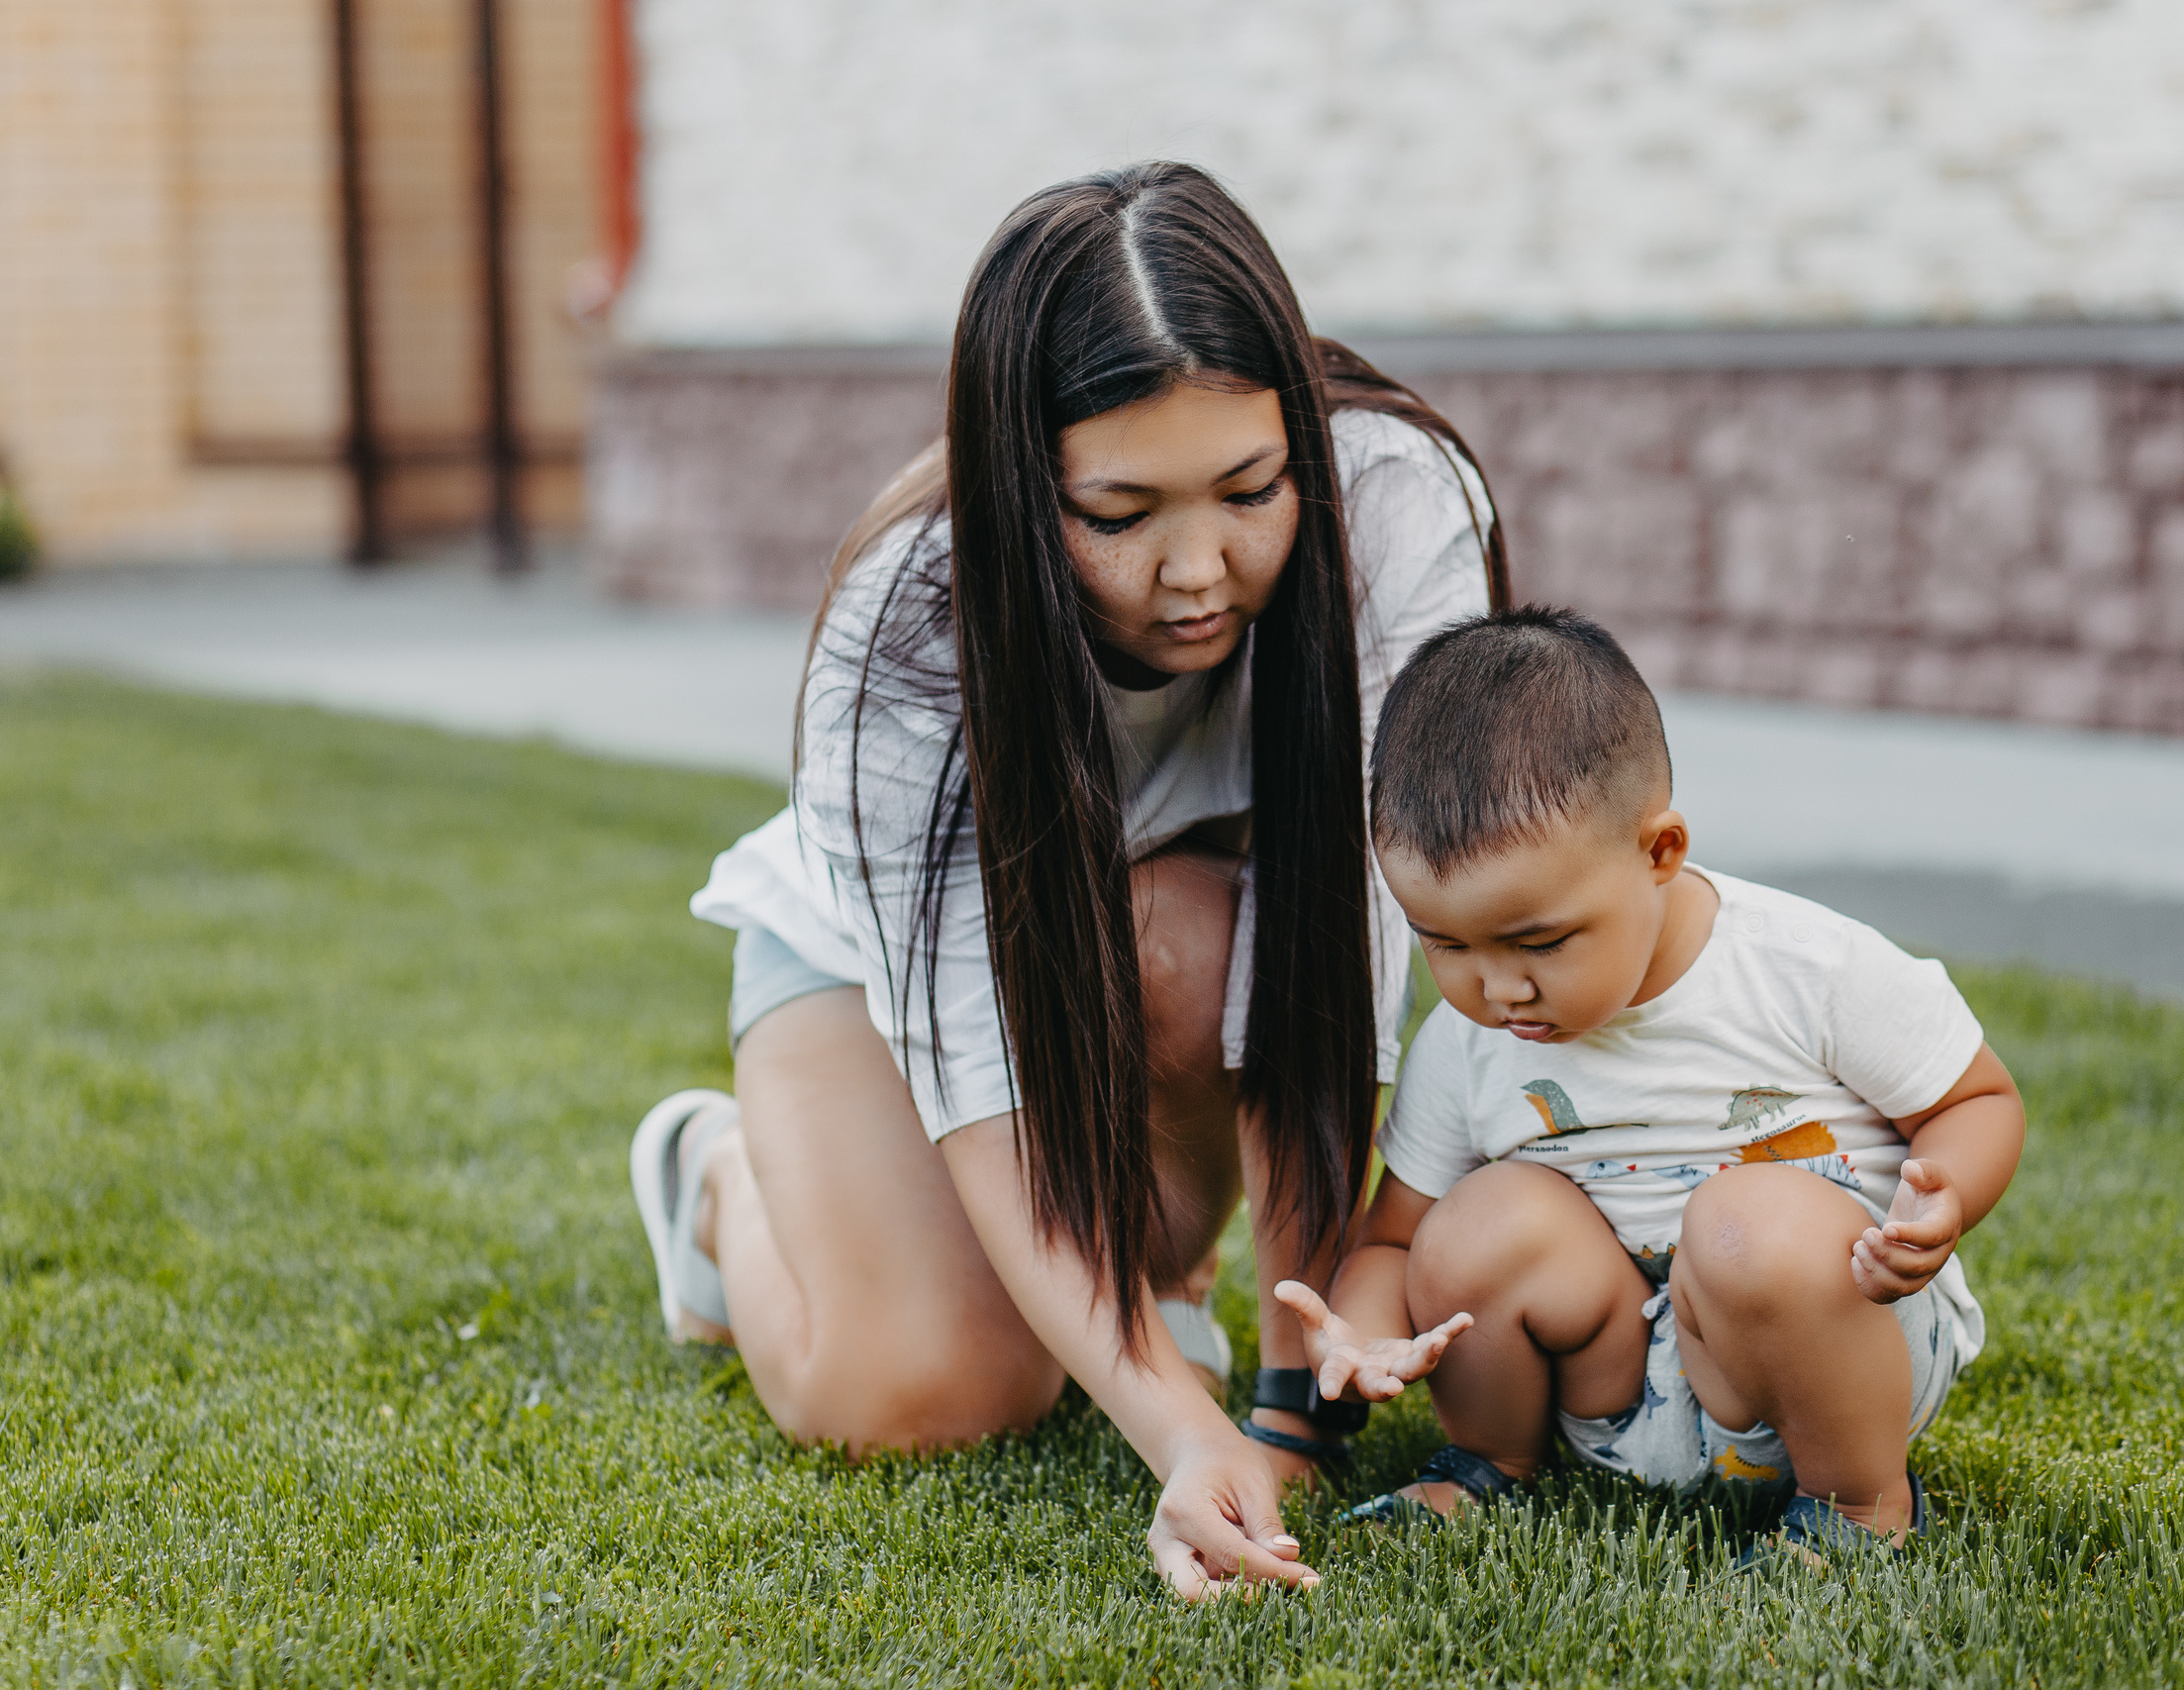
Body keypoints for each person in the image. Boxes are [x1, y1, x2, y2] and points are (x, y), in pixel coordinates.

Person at [625, 161, 1508, 1598]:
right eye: (1123, 511)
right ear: (1027, 486)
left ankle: (1145, 1296)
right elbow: (977, 1075)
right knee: (916, 1394)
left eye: (1251, 488)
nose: (1200, 567)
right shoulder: (905, 625)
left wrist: (1289, 1400)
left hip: (1174, 951)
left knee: (1179, 939)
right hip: (883, 972)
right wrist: (1177, 1426)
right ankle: (719, 1174)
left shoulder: (1402, 506)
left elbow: (1344, 937)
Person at [1276, 607, 2026, 1566]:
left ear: (1658, 852)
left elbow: (1975, 1100)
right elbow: (1394, 1238)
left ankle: (1857, 1506)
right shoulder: (1465, 1042)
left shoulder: (1803, 967)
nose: (1496, 989)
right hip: (1617, 1393)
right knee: (1475, 1217)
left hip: (1833, 1353)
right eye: (1445, 943)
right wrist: (1366, 1333)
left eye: (1539, 941)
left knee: (1746, 1219)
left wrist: (1943, 1200)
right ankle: (1491, 1460)